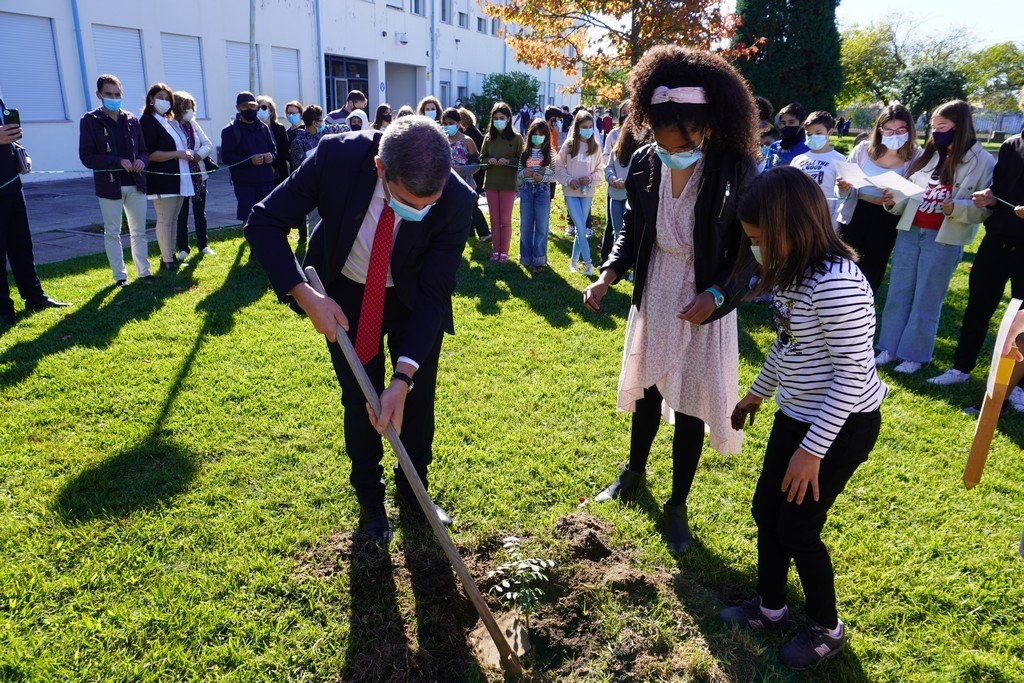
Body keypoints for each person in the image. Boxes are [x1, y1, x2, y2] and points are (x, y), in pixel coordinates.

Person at [244, 116, 477, 545]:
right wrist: (306, 296)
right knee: (361, 397)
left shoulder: (459, 200)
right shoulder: (337, 156)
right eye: (411, 201)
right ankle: (370, 498)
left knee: (417, 399)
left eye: (430, 202)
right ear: (380, 169)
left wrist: (404, 377)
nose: (422, 211)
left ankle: (414, 489)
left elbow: (435, 291)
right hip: (348, 294)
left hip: (412, 299)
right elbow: (264, 222)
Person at [583, 45, 757, 553]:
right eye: (658, 136)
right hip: (657, 288)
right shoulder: (643, 161)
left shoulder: (735, 168)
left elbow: (751, 251)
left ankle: (677, 505)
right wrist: (609, 274)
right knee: (649, 389)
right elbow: (633, 229)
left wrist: (718, 293)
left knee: (690, 405)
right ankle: (633, 474)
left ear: (706, 126)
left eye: (679, 139)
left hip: (706, 298)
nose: (667, 147)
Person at [721, 166, 886, 671]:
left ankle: (826, 627)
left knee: (798, 527)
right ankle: (770, 608)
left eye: (758, 240)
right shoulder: (794, 275)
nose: (753, 250)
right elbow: (790, 343)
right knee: (765, 512)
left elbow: (853, 373)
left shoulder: (836, 284)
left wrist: (812, 451)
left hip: (842, 425)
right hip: (796, 414)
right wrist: (756, 394)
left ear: (793, 227)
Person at [875, 100, 995, 375]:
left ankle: (914, 355)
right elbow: (908, 194)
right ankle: (889, 348)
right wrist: (892, 201)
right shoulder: (929, 154)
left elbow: (985, 207)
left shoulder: (982, 160)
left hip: (943, 238)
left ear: (960, 126)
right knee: (899, 292)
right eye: (933, 127)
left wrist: (959, 208)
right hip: (911, 231)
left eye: (942, 126)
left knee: (926, 298)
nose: (936, 132)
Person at [929, 88, 1024, 396]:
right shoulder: (1012, 145)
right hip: (997, 239)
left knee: (1022, 317)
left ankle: (1018, 386)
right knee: (977, 307)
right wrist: (989, 198)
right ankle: (961, 368)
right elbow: (998, 192)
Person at [835, 104, 919, 294]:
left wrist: (896, 199)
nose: (894, 134)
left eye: (900, 130)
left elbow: (915, 195)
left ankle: (863, 309)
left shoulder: (916, 156)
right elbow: (843, 182)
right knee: (845, 266)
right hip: (855, 213)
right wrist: (842, 187)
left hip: (887, 219)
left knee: (873, 270)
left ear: (909, 130)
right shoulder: (863, 149)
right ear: (880, 130)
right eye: (888, 130)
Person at [78, 74, 152, 286]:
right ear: (99, 95)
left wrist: (141, 161)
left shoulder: (131, 119)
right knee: (113, 232)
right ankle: (120, 276)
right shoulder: (90, 121)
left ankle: (144, 271)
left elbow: (145, 151)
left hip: (135, 183)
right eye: (109, 94)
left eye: (117, 94)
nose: (114, 98)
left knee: (139, 230)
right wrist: (117, 161)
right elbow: (87, 157)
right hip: (109, 185)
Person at [0, 99, 68, 326]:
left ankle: (34, 296)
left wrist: (20, 151)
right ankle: (3, 310)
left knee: (21, 243)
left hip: (11, 182)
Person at [140, 83, 195, 272]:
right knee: (165, 219)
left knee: (173, 219)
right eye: (160, 97)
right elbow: (151, 153)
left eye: (167, 98)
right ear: (151, 99)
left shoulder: (167, 120)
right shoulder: (147, 121)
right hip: (162, 180)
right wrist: (178, 154)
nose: (163, 101)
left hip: (179, 177)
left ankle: (170, 257)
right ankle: (167, 259)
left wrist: (183, 153)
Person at [556, 110, 604, 275]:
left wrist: (589, 179)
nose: (588, 130)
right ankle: (589, 264)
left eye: (591, 127)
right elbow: (559, 167)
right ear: (577, 127)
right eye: (585, 127)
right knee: (581, 227)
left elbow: (600, 171)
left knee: (580, 228)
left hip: (587, 192)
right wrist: (569, 179)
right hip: (570, 192)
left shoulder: (596, 147)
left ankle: (574, 262)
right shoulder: (569, 145)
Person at [289, 105, 346, 243]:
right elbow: (298, 167)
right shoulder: (298, 141)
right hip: (312, 188)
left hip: (328, 186)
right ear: (314, 123)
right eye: (320, 120)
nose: (323, 123)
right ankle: (315, 249)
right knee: (315, 221)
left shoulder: (324, 134)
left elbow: (344, 128)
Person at [221, 91, 277, 225]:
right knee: (249, 219)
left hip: (266, 181)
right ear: (238, 108)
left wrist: (271, 157)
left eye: (252, 106)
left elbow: (274, 150)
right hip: (245, 183)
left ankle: (267, 243)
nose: (249, 109)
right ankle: (252, 244)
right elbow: (226, 157)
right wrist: (249, 160)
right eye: (245, 106)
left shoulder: (264, 128)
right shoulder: (230, 130)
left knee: (269, 216)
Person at [171, 91, 215, 260]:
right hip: (182, 175)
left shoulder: (194, 124)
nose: (191, 111)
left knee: (200, 212)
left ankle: (203, 244)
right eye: (187, 108)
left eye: (192, 107)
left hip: (199, 176)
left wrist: (199, 155)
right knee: (182, 214)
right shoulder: (171, 124)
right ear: (179, 108)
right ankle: (183, 248)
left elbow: (208, 144)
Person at [479, 101, 525, 263]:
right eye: (496, 118)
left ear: (508, 119)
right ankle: (495, 250)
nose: (498, 120)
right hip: (491, 183)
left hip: (508, 184)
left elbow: (522, 160)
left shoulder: (517, 138)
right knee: (494, 219)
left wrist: (509, 160)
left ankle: (504, 251)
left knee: (505, 219)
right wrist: (489, 160)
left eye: (502, 117)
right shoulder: (488, 138)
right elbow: (481, 160)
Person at [790, 111, 845, 230]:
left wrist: (835, 225)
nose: (812, 137)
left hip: (826, 222)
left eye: (818, 133)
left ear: (830, 132)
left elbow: (842, 195)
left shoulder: (840, 160)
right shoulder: (798, 159)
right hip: (800, 220)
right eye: (809, 134)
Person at [517, 120, 555, 272]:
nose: (538, 137)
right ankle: (525, 257)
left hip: (542, 191)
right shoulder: (525, 153)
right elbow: (519, 172)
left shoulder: (551, 153)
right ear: (530, 135)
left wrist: (543, 178)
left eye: (541, 135)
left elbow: (554, 175)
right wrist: (524, 173)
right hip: (526, 190)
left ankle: (539, 259)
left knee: (541, 226)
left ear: (546, 137)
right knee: (526, 225)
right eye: (535, 135)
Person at [601, 100, 631, 261]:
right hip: (615, 189)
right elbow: (608, 160)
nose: (627, 115)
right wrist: (611, 178)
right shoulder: (613, 135)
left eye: (630, 111)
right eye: (624, 112)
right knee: (614, 227)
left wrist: (628, 181)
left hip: (633, 191)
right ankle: (611, 261)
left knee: (633, 229)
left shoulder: (644, 136)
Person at [458, 107, 492, 243]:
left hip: (475, 174)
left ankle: (484, 232)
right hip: (475, 173)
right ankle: (470, 232)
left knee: (473, 204)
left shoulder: (470, 133)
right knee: (471, 204)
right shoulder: (471, 130)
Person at [441, 107, 479, 191]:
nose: (447, 126)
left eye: (451, 123)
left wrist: (461, 170)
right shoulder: (441, 141)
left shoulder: (467, 141)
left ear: (458, 123)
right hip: (445, 186)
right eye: (445, 124)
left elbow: (476, 165)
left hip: (465, 185)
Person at [764, 103, 809, 169]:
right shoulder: (774, 147)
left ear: (802, 124)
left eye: (791, 122)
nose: (786, 126)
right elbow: (767, 171)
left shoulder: (808, 147)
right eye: (783, 123)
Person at [258, 96, 291, 186]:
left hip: (279, 173)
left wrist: (273, 166)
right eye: (258, 108)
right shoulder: (253, 130)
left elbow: (284, 151)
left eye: (264, 107)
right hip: (260, 175)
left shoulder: (279, 128)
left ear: (271, 111)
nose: (260, 110)